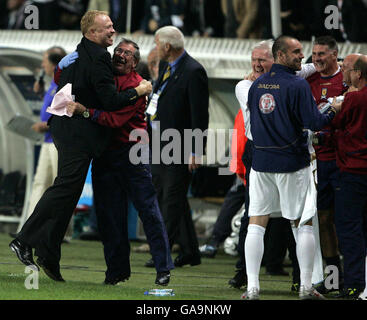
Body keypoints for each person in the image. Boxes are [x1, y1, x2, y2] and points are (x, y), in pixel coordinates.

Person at [9, 10, 152, 282]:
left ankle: (48, 255)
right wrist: (139, 91)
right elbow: (110, 101)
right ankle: (25, 240)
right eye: (106, 28)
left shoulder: (79, 53)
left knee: (68, 193)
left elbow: (60, 79)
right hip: (77, 134)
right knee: (65, 188)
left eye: (112, 26)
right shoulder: (99, 59)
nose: (112, 30)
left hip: (66, 130)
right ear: (91, 33)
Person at [65, 38, 174, 286]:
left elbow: (113, 120)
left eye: (127, 53)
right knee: (108, 216)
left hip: (132, 153)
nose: (120, 55)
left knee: (148, 211)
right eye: (118, 51)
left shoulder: (137, 86)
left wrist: (84, 111)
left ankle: (163, 268)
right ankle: (116, 271)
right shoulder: (105, 78)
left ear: (135, 62)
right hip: (105, 154)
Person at [241, 35, 341, 300]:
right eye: (296, 52)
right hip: (292, 164)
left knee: (256, 223)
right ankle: (307, 287)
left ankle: (252, 289)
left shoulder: (257, 85)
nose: (302, 56)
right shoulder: (297, 85)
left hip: (261, 163)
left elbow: (253, 124)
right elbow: (316, 122)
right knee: (304, 223)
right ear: (281, 55)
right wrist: (334, 107)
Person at [229, 39, 317, 291]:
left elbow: (302, 68)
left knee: (260, 219)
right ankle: (304, 285)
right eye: (254, 60)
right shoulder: (250, 86)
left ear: (274, 59)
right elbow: (298, 74)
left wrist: (321, 64)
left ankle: (258, 285)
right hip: (284, 154)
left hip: (263, 157)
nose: (257, 64)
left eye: (262, 60)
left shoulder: (252, 85)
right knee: (299, 221)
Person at [146, 25, 209, 268]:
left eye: (156, 44)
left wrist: (196, 150)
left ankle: (162, 253)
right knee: (172, 198)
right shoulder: (166, 67)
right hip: (160, 144)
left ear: (167, 47)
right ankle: (191, 252)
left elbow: (199, 115)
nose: (155, 48)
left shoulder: (194, 71)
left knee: (170, 201)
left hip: (180, 145)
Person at [321, 55, 367, 299]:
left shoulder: (353, 98)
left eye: (347, 69)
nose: (344, 74)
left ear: (358, 74)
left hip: (352, 172)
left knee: (348, 230)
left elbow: (331, 122)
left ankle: (353, 284)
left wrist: (335, 107)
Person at [306, 36, 348, 294]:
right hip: (318, 161)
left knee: (347, 220)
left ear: (335, 55)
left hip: (345, 160)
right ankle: (334, 280)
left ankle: (356, 277)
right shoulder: (307, 81)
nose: (317, 58)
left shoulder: (348, 80)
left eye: (322, 54)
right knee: (323, 218)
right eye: (314, 54)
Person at [26, 46, 66, 221]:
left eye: (45, 61)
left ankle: (59, 230)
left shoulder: (64, 82)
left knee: (59, 186)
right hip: (47, 141)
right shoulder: (52, 83)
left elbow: (65, 113)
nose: (43, 65)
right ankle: (30, 227)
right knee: (40, 182)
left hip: (58, 142)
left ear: (54, 63)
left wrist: (47, 125)